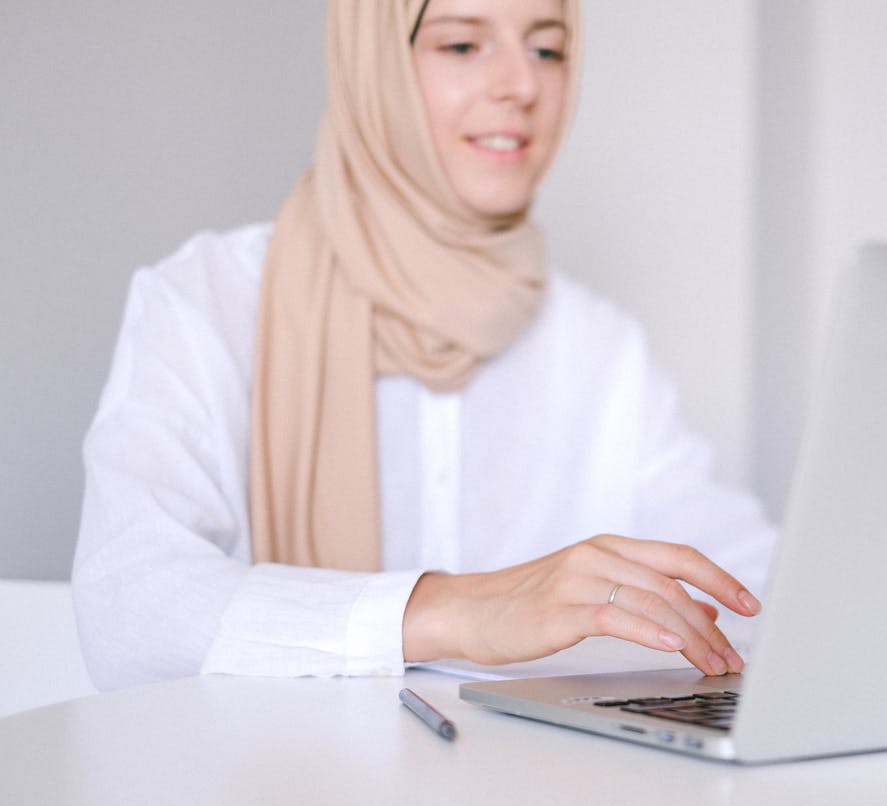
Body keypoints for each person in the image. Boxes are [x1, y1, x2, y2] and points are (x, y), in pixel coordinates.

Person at [72, 0, 774, 692]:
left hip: (538, 800)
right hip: (267, 797)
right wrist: (450, 608)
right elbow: (128, 603)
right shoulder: (209, 300)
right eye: (462, 45)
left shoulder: (600, 348)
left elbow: (748, 577)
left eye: (548, 49)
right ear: (372, 62)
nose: (521, 86)